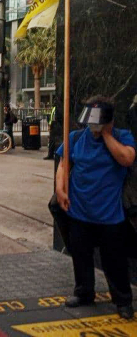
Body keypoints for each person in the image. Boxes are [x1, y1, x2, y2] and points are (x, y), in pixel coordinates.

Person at [55, 96, 136, 319]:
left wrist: (107, 135)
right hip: (79, 210)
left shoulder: (122, 137)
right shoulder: (76, 138)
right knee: (81, 256)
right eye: (91, 123)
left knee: (115, 262)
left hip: (110, 215)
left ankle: (122, 301)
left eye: (97, 122)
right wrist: (60, 189)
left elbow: (127, 158)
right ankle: (83, 293)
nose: (93, 128)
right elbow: (63, 164)